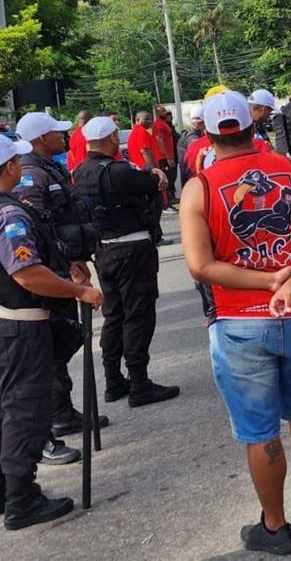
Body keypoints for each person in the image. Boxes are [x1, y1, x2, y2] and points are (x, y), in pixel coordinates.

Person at [180, 91, 291, 555]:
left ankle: (275, 525)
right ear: (253, 126)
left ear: (207, 134)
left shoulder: (200, 187)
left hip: (238, 320)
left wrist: (269, 282)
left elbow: (199, 266)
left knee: (260, 429)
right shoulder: (289, 169)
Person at [0, 134, 100, 531]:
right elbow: (28, 274)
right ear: (11, 167)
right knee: (24, 410)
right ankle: (22, 499)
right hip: (18, 324)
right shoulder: (7, 215)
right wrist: (79, 290)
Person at [13, 111, 108, 460]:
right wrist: (66, 266)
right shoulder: (29, 175)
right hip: (51, 273)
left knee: (65, 340)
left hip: (65, 263)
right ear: (41, 139)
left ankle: (64, 411)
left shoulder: (47, 166)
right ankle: (57, 414)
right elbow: (36, 231)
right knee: (54, 346)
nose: (62, 137)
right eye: (56, 133)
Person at [74, 117, 179, 408]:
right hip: (132, 248)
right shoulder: (120, 171)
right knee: (138, 314)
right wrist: (155, 171)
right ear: (110, 140)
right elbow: (155, 182)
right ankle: (140, 381)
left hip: (104, 250)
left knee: (114, 314)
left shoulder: (80, 171)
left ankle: (113, 379)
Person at [152, 106, 177, 209]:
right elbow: (159, 140)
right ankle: (166, 204)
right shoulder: (158, 124)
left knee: (171, 178)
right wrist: (168, 157)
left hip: (166, 156)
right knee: (166, 179)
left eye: (165, 110)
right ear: (157, 113)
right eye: (162, 111)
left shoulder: (163, 123)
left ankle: (169, 201)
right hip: (162, 157)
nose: (165, 112)